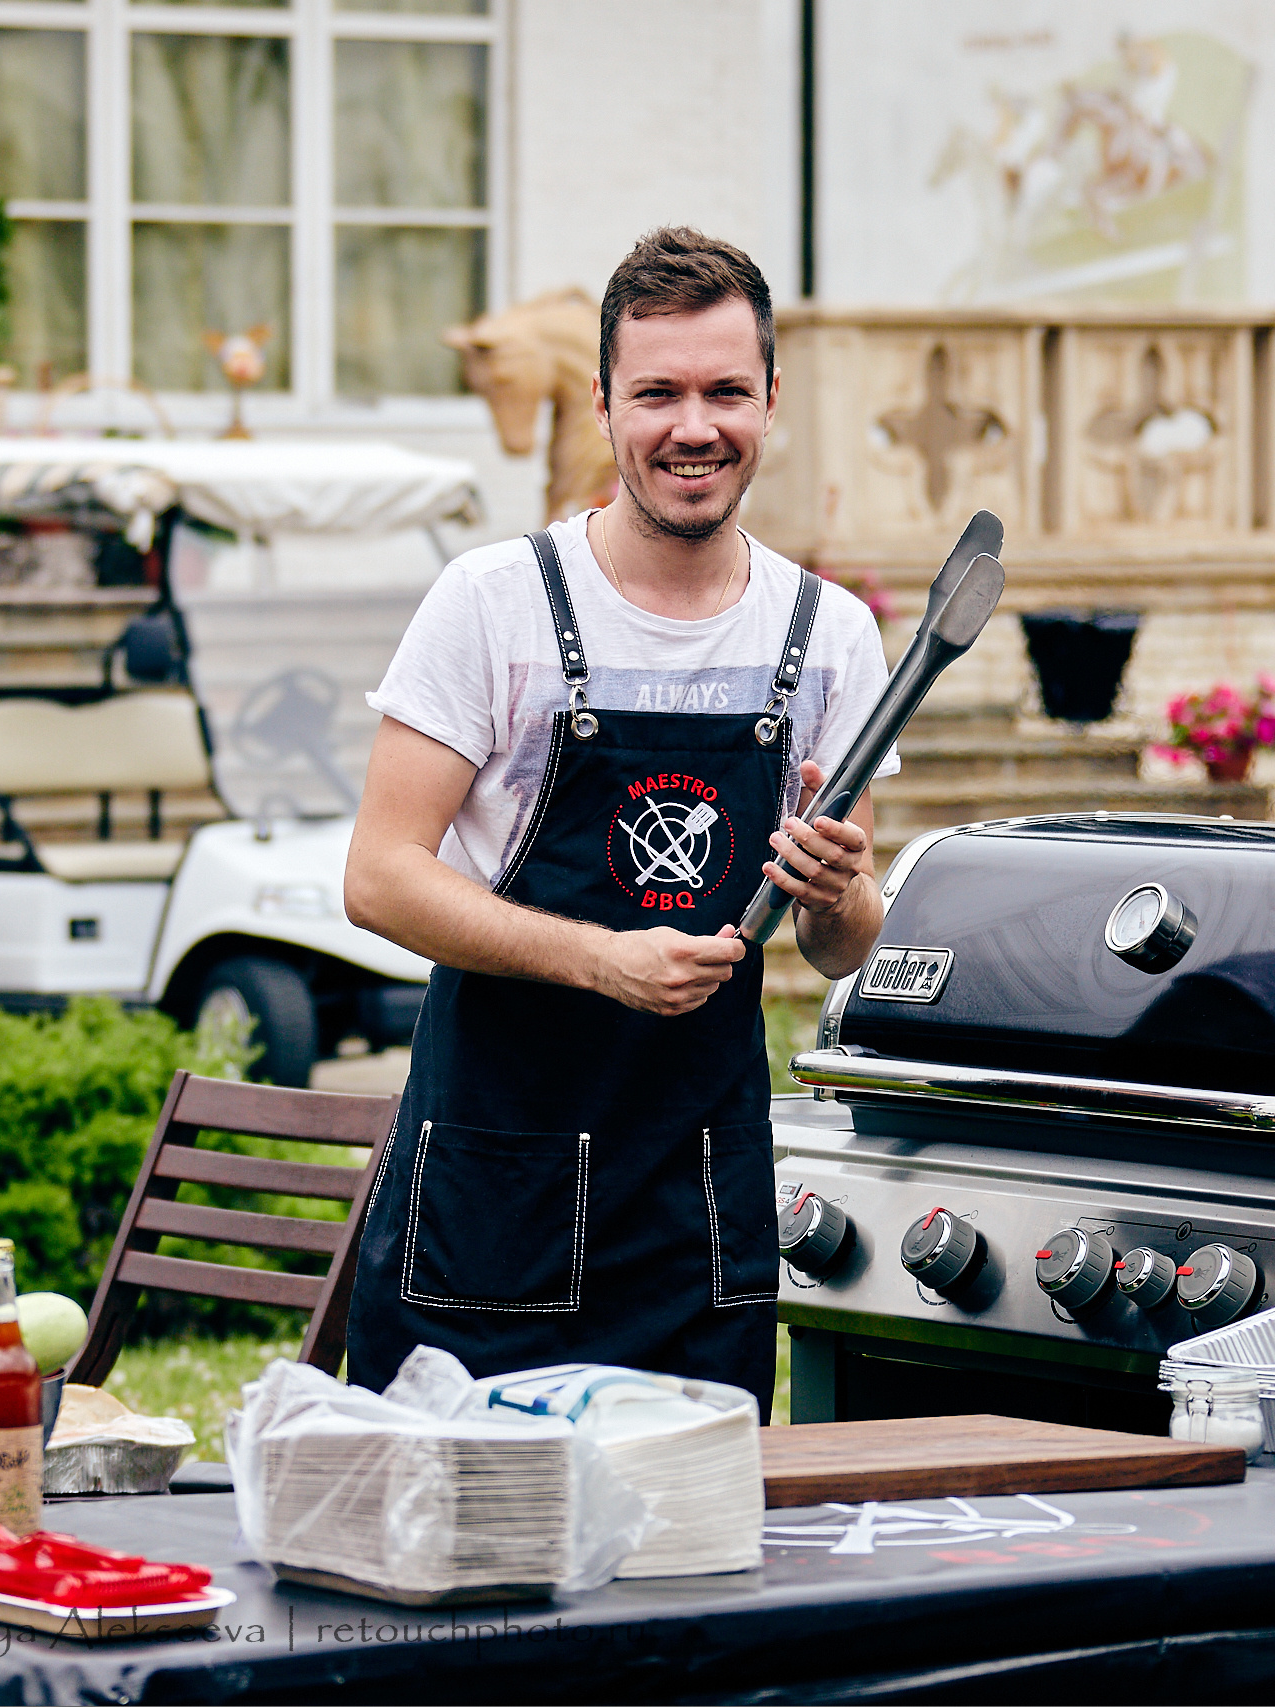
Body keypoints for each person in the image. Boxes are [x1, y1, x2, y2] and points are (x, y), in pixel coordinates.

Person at [340, 226, 891, 1408]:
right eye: (657, 393)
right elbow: (380, 877)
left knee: (689, 1551)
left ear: (769, 400)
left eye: (723, 391)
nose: (693, 426)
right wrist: (599, 961)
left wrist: (839, 893)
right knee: (457, 1548)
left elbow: (843, 950)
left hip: (697, 1197)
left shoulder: (830, 634)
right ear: (603, 405)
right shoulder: (495, 603)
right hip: (494, 1184)